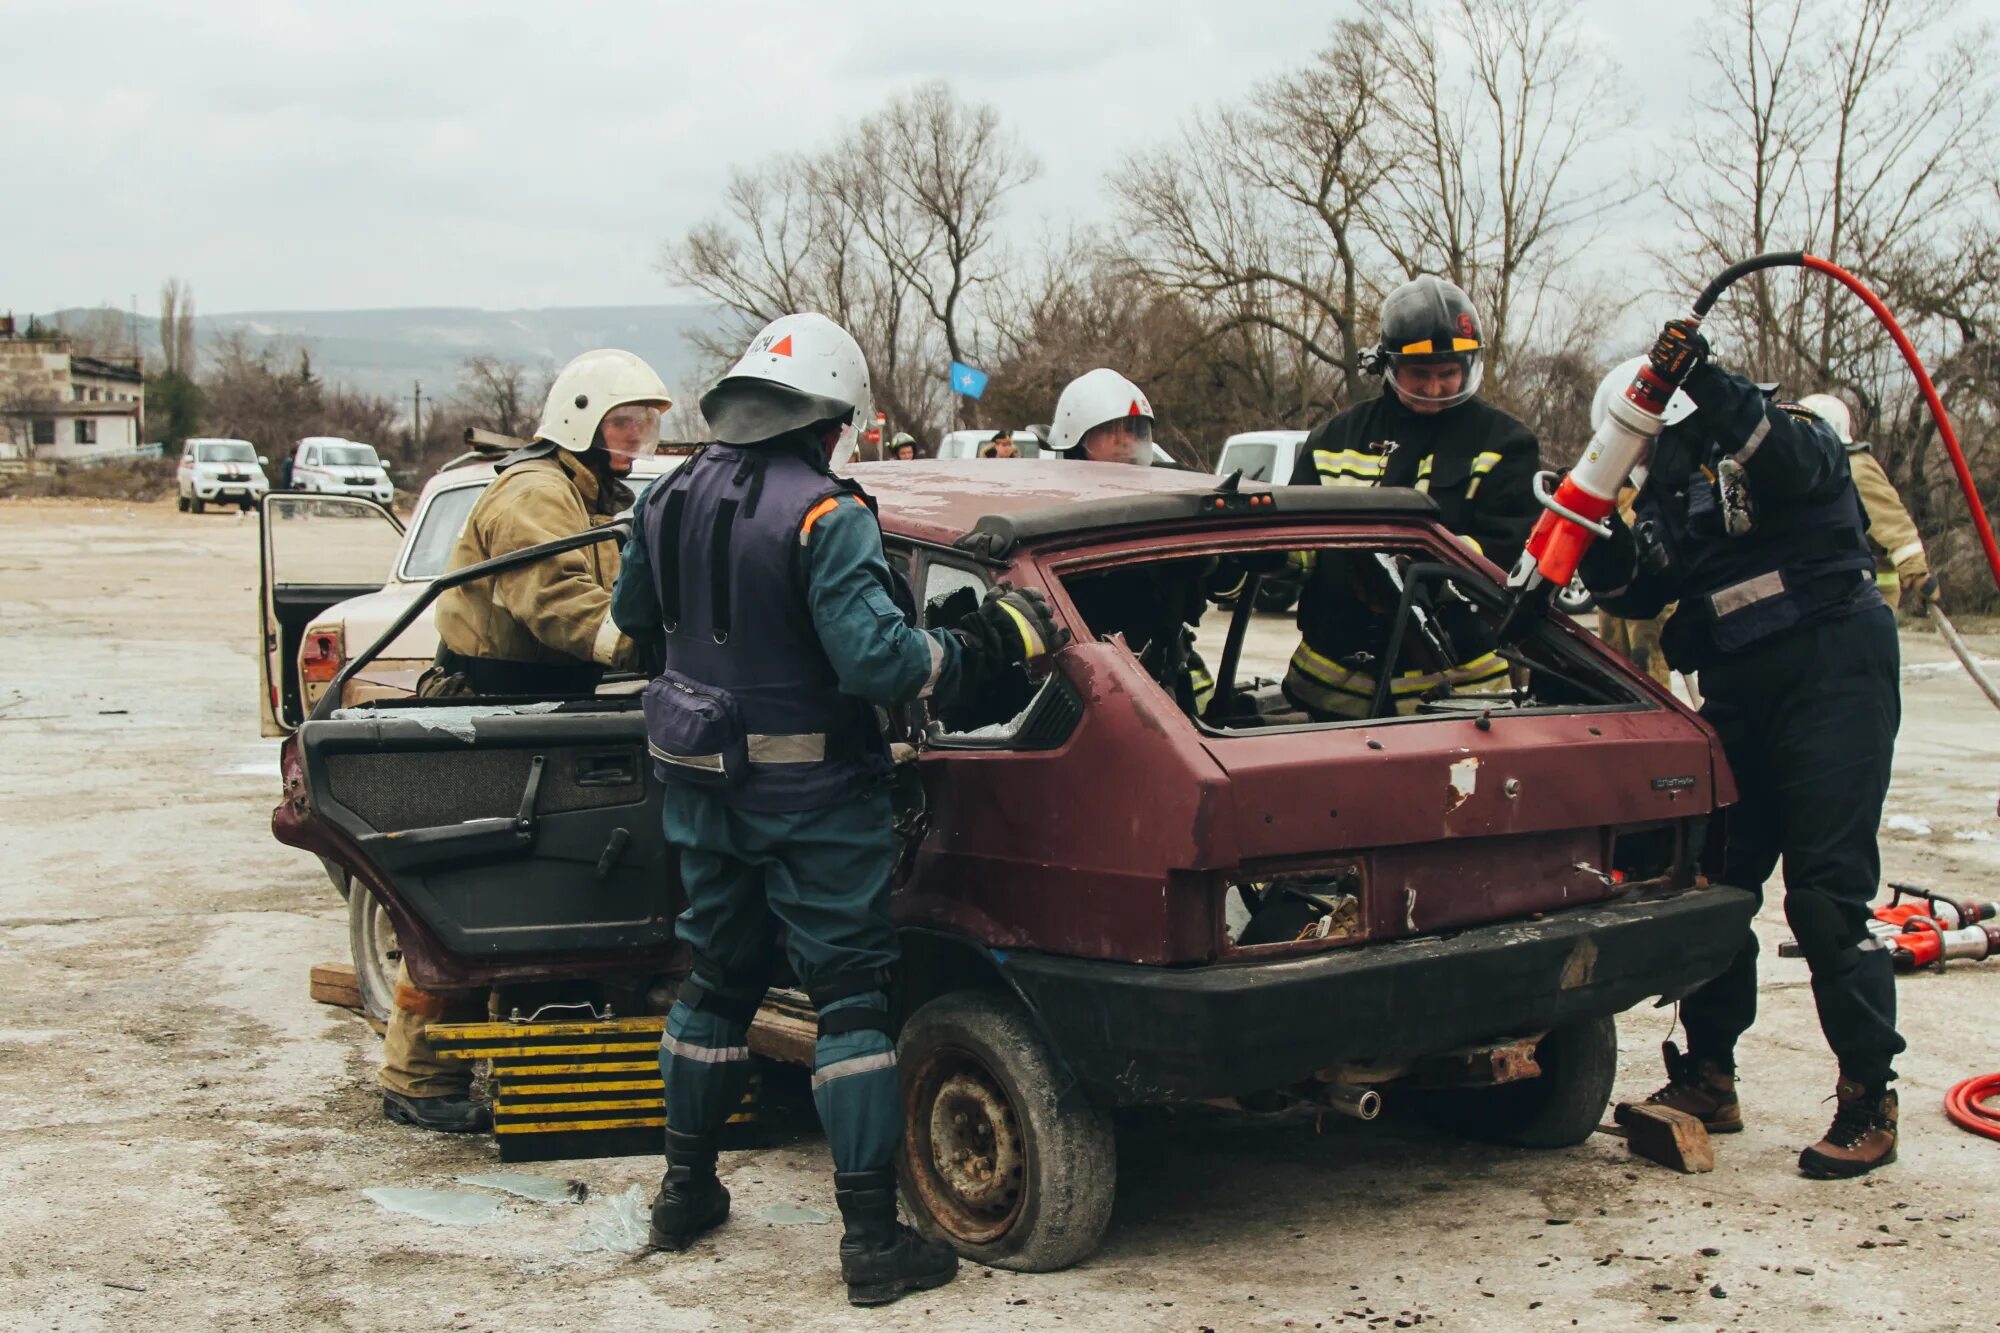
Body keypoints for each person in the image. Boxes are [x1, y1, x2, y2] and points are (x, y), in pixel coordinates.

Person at [611, 312, 1063, 1306]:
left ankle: (684, 1192)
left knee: (717, 980)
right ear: (831, 418)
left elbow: (632, 619)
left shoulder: (667, 495)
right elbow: (879, 663)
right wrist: (981, 646)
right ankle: (870, 1240)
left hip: (699, 790)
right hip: (814, 801)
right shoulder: (825, 514)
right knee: (851, 1004)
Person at [1578, 325, 1905, 1179]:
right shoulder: (1667, 489)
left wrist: (1711, 384)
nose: (1638, 461)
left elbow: (1800, 467)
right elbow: (1646, 583)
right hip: (1741, 693)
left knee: (1828, 896)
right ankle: (1709, 1075)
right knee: (1715, 880)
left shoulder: (1780, 434)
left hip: (1835, 672)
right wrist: (1592, 536)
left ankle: (1870, 1096)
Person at [379, 348, 672, 1135]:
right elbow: (559, 601)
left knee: (528, 890)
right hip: (490, 710)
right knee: (475, 895)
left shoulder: (588, 495)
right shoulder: (537, 495)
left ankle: (519, 1042)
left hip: (538, 707)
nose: (635, 438)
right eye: (623, 422)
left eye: (643, 424)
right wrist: (645, 647)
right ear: (578, 420)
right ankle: (416, 1075)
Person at [1284, 276, 1534, 714]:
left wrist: (1422, 571)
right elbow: (1297, 543)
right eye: (1420, 374)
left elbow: (1511, 553)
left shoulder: (1505, 443)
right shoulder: (1334, 439)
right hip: (1329, 692)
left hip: (1457, 698)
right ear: (1389, 366)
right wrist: (1261, 557)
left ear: (1468, 366)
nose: (1435, 389)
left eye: (1448, 373)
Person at [1044, 368, 1215, 710]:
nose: (1126, 443)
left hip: (1168, 682)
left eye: (1134, 432)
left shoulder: (1174, 505)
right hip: (1085, 693)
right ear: (1075, 442)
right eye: (1111, 433)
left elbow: (1224, 582)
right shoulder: (1051, 518)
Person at [1797, 392, 1939, 616]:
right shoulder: (1810, 472)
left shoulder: (1856, 469)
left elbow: (1893, 522)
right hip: (1833, 596)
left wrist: (1917, 574)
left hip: (1866, 596)